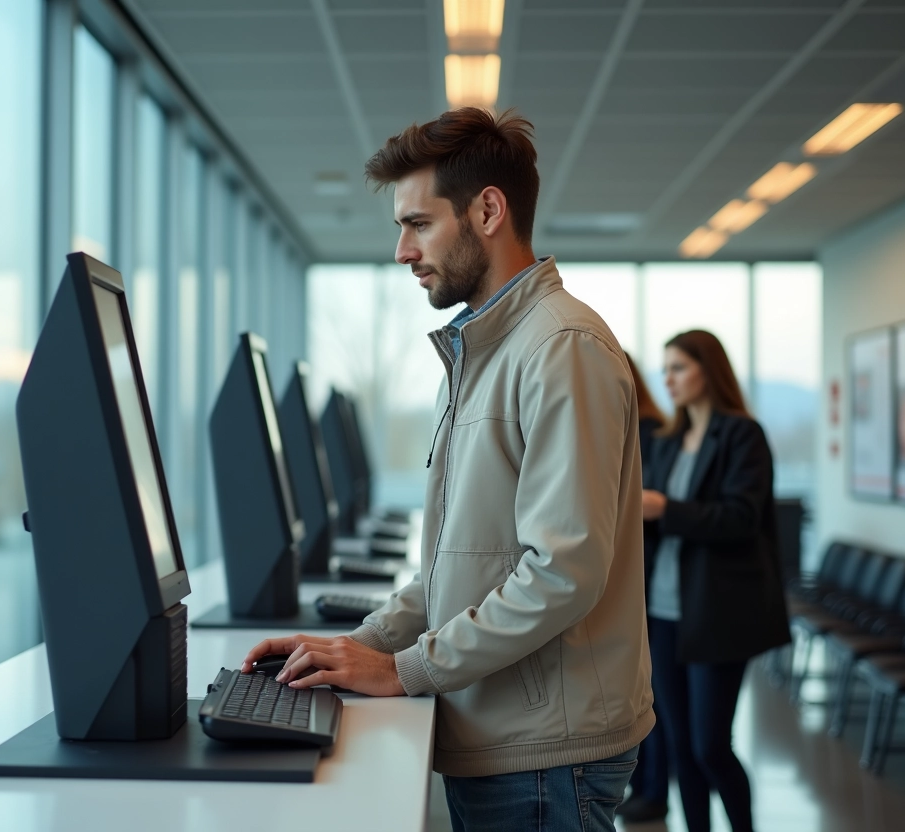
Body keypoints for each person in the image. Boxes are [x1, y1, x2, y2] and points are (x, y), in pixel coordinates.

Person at [242, 107, 653, 832]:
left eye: (419, 223)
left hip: (544, 753)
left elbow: (563, 571)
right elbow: (460, 566)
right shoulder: (482, 352)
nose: (403, 250)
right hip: (509, 734)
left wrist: (405, 670)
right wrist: (360, 646)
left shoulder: (561, 348)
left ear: (487, 209)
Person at [641, 330, 791, 832]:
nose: (668, 379)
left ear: (709, 370)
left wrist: (666, 508)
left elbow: (741, 518)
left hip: (718, 612)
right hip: (662, 611)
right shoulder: (666, 442)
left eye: (679, 367)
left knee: (710, 745)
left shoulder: (742, 435)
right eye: (665, 369)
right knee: (680, 744)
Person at [617, 352, 672, 824]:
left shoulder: (650, 430)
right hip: (641, 576)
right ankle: (646, 783)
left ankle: (654, 789)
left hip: (651, 576)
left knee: (652, 695)